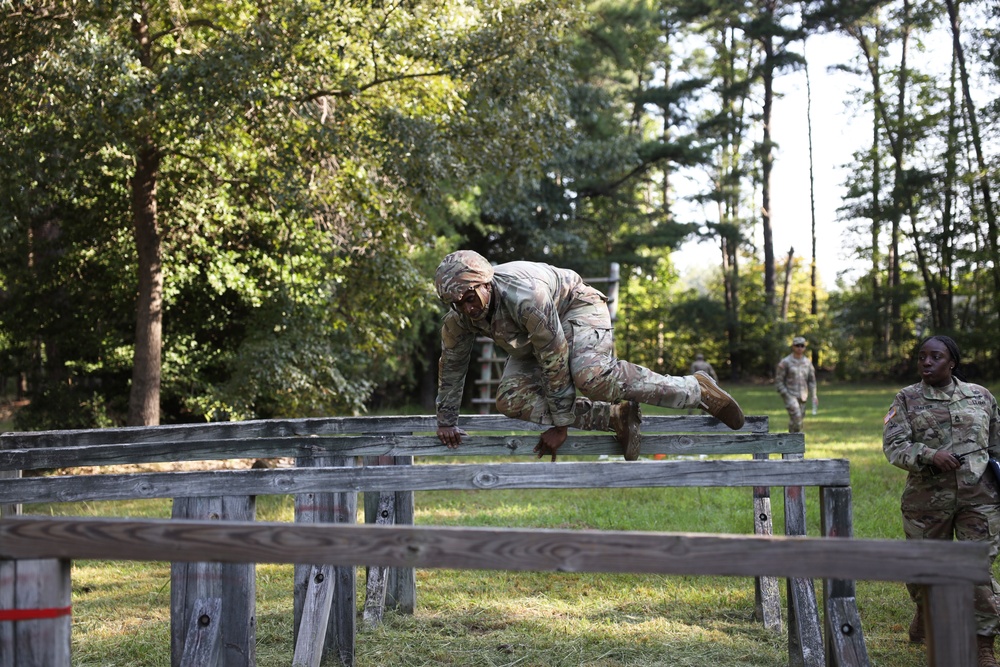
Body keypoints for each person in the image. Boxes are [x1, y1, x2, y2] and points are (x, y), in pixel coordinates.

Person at [433, 250, 745, 461]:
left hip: (573, 307)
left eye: (470, 298)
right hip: (533, 336)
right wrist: (446, 421)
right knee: (510, 399)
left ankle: (695, 390)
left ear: (485, 283)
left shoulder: (526, 296)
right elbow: (452, 365)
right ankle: (615, 417)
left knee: (593, 378)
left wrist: (561, 424)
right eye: (457, 304)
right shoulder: (460, 317)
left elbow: (553, 357)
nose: (467, 308)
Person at [883, 335, 1000, 667]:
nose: (926, 362)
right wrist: (930, 455)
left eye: (935, 357)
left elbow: (996, 446)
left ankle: (982, 645)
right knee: (923, 569)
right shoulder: (906, 399)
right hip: (926, 500)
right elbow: (894, 445)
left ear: (952, 363)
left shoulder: (981, 396)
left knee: (976, 568)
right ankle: (924, 609)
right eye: (922, 357)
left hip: (980, 498)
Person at [775, 336, 818, 433]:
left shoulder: (807, 363)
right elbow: (779, 381)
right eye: (797, 345)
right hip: (790, 394)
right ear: (793, 347)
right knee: (797, 419)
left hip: (803, 396)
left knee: (797, 421)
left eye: (802, 346)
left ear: (804, 348)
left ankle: (792, 442)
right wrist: (785, 393)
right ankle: (796, 441)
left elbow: (812, 380)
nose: (799, 348)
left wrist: (814, 395)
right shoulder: (785, 362)